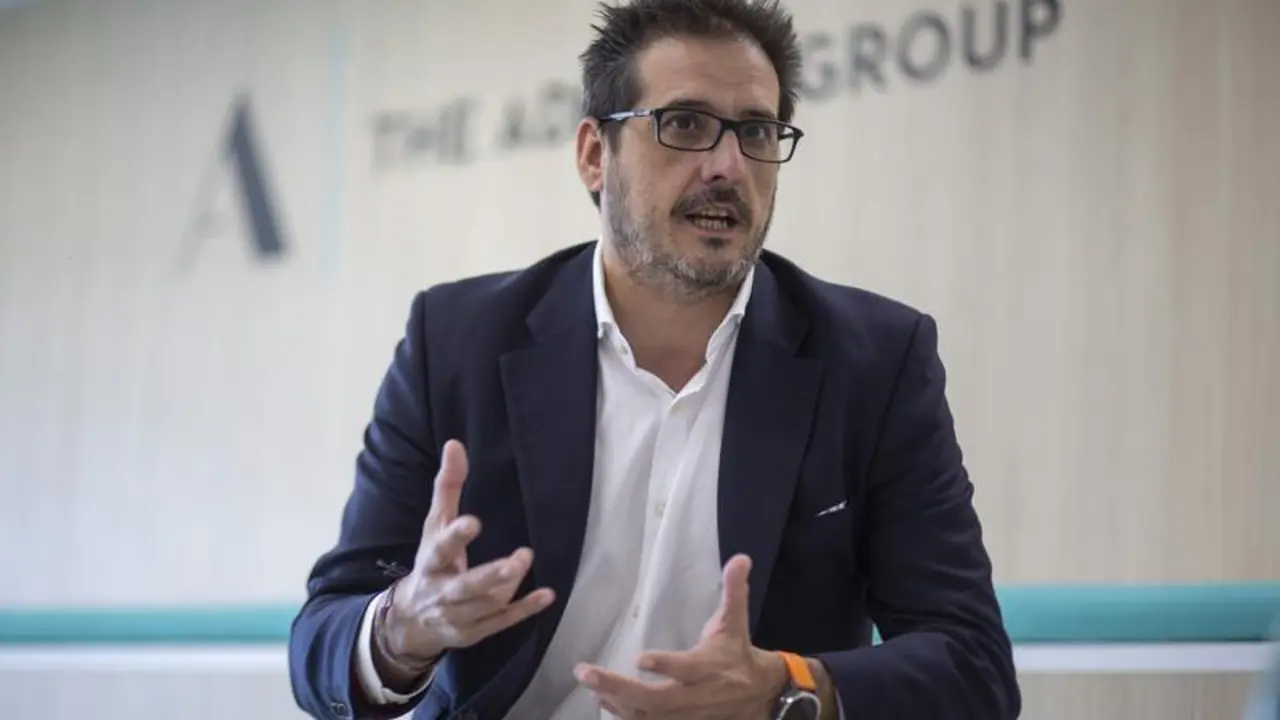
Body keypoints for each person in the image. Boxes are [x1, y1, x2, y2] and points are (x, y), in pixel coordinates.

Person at [288, 0, 1020, 718]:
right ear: (593, 154)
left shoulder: (874, 362)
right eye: (686, 124)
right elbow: (322, 642)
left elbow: (973, 667)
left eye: (756, 131)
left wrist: (785, 687)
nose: (727, 166)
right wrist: (402, 629)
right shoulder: (457, 342)